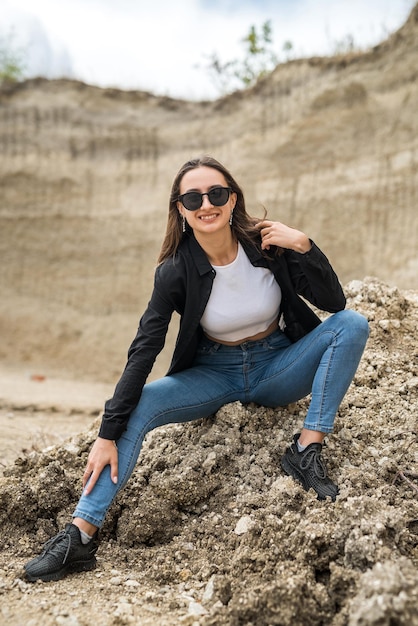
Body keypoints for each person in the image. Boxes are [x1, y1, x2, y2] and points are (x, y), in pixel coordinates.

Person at [24, 155, 369, 582]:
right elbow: (144, 349)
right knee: (141, 404)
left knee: (352, 324)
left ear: (233, 198)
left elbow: (334, 304)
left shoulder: (268, 245)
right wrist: (106, 433)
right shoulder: (174, 270)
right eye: (193, 197)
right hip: (214, 374)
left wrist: (305, 245)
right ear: (181, 209)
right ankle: (80, 535)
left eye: (216, 193)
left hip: (277, 365)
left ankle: (304, 449)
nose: (206, 204)